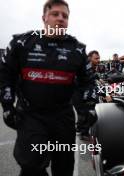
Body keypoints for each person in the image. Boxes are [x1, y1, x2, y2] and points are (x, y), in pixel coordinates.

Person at [0, 0, 93, 175]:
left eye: (65, 16)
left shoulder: (77, 49)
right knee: (31, 166)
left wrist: (88, 108)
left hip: (63, 117)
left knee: (64, 168)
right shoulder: (22, 43)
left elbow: (87, 82)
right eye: (55, 14)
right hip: (31, 115)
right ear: (44, 17)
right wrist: (7, 106)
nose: (60, 19)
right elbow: (5, 75)